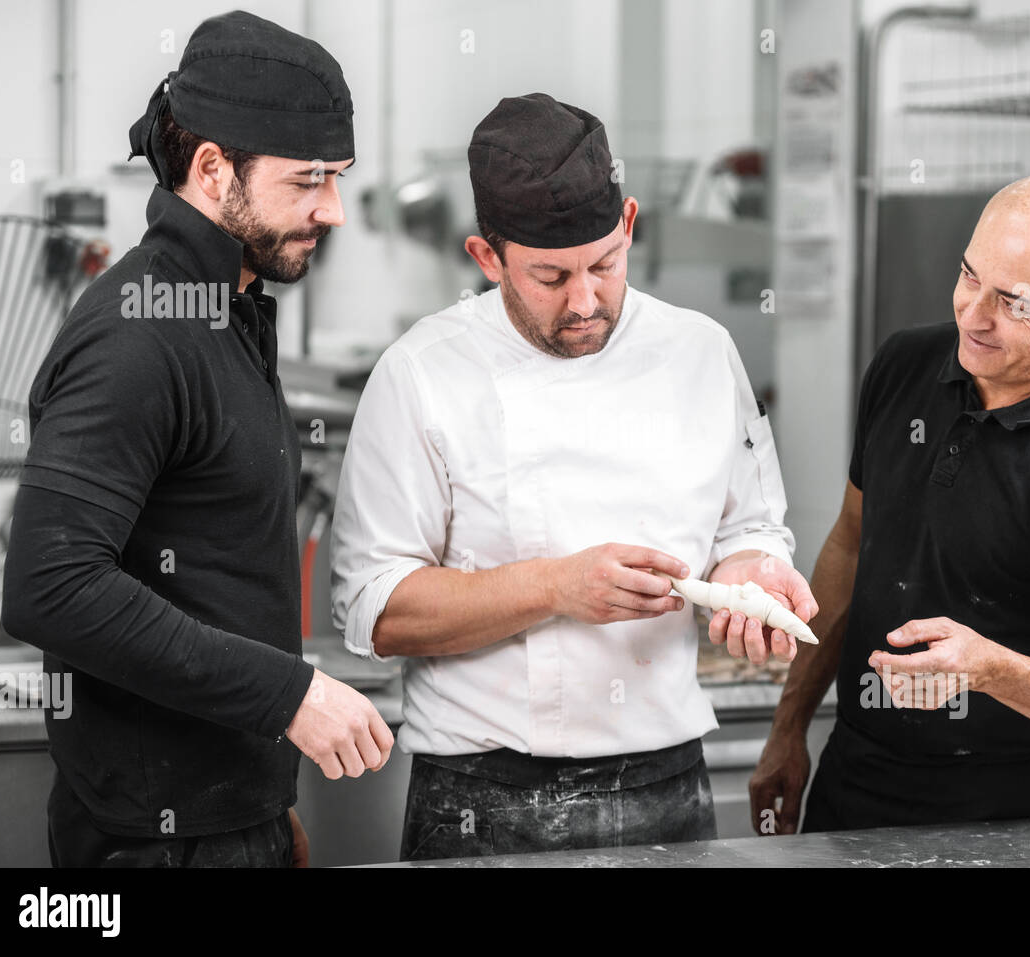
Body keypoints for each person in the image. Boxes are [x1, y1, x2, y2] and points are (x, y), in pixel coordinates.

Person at [331, 92, 818, 861]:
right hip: (480, 803)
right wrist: (555, 588)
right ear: (487, 259)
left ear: (627, 224)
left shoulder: (700, 351)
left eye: (604, 264)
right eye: (550, 276)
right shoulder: (421, 374)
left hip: (670, 790)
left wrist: (755, 566)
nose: (586, 301)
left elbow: (750, 523)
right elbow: (374, 608)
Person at [2, 10, 393, 868]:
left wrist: (260, 800)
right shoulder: (137, 334)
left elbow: (215, 580)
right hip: (151, 845)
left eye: (338, 179)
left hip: (224, 825)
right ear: (214, 170)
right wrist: (287, 697)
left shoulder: (229, 308)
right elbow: (50, 586)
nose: (332, 209)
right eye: (308, 180)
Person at [751, 170, 1030, 834]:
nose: (974, 316)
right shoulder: (903, 366)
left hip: (1006, 820)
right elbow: (850, 545)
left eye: (1014, 301)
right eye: (969, 275)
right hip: (847, 790)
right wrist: (788, 729)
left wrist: (992, 669)